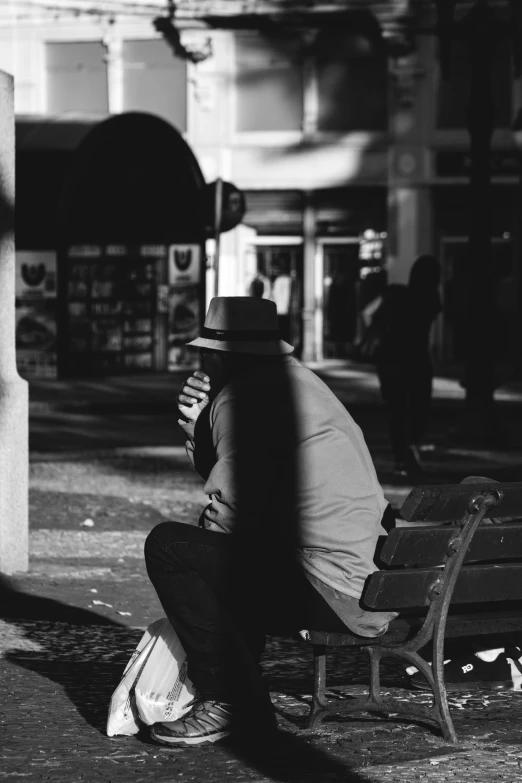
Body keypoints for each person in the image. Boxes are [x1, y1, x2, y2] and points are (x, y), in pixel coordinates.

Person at [144, 296, 397, 746]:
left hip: (331, 590)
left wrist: (203, 587)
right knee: (230, 556)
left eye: (205, 353)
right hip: (368, 583)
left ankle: (229, 699)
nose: (201, 363)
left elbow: (230, 512)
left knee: (170, 548)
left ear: (218, 356)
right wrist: (198, 427)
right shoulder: (300, 382)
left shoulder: (243, 399)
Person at [373, 255, 441, 477]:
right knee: (418, 408)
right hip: (415, 359)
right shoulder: (429, 299)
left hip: (392, 358)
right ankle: (406, 452)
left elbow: (373, 316)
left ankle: (402, 457)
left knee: (398, 411)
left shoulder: (397, 295)